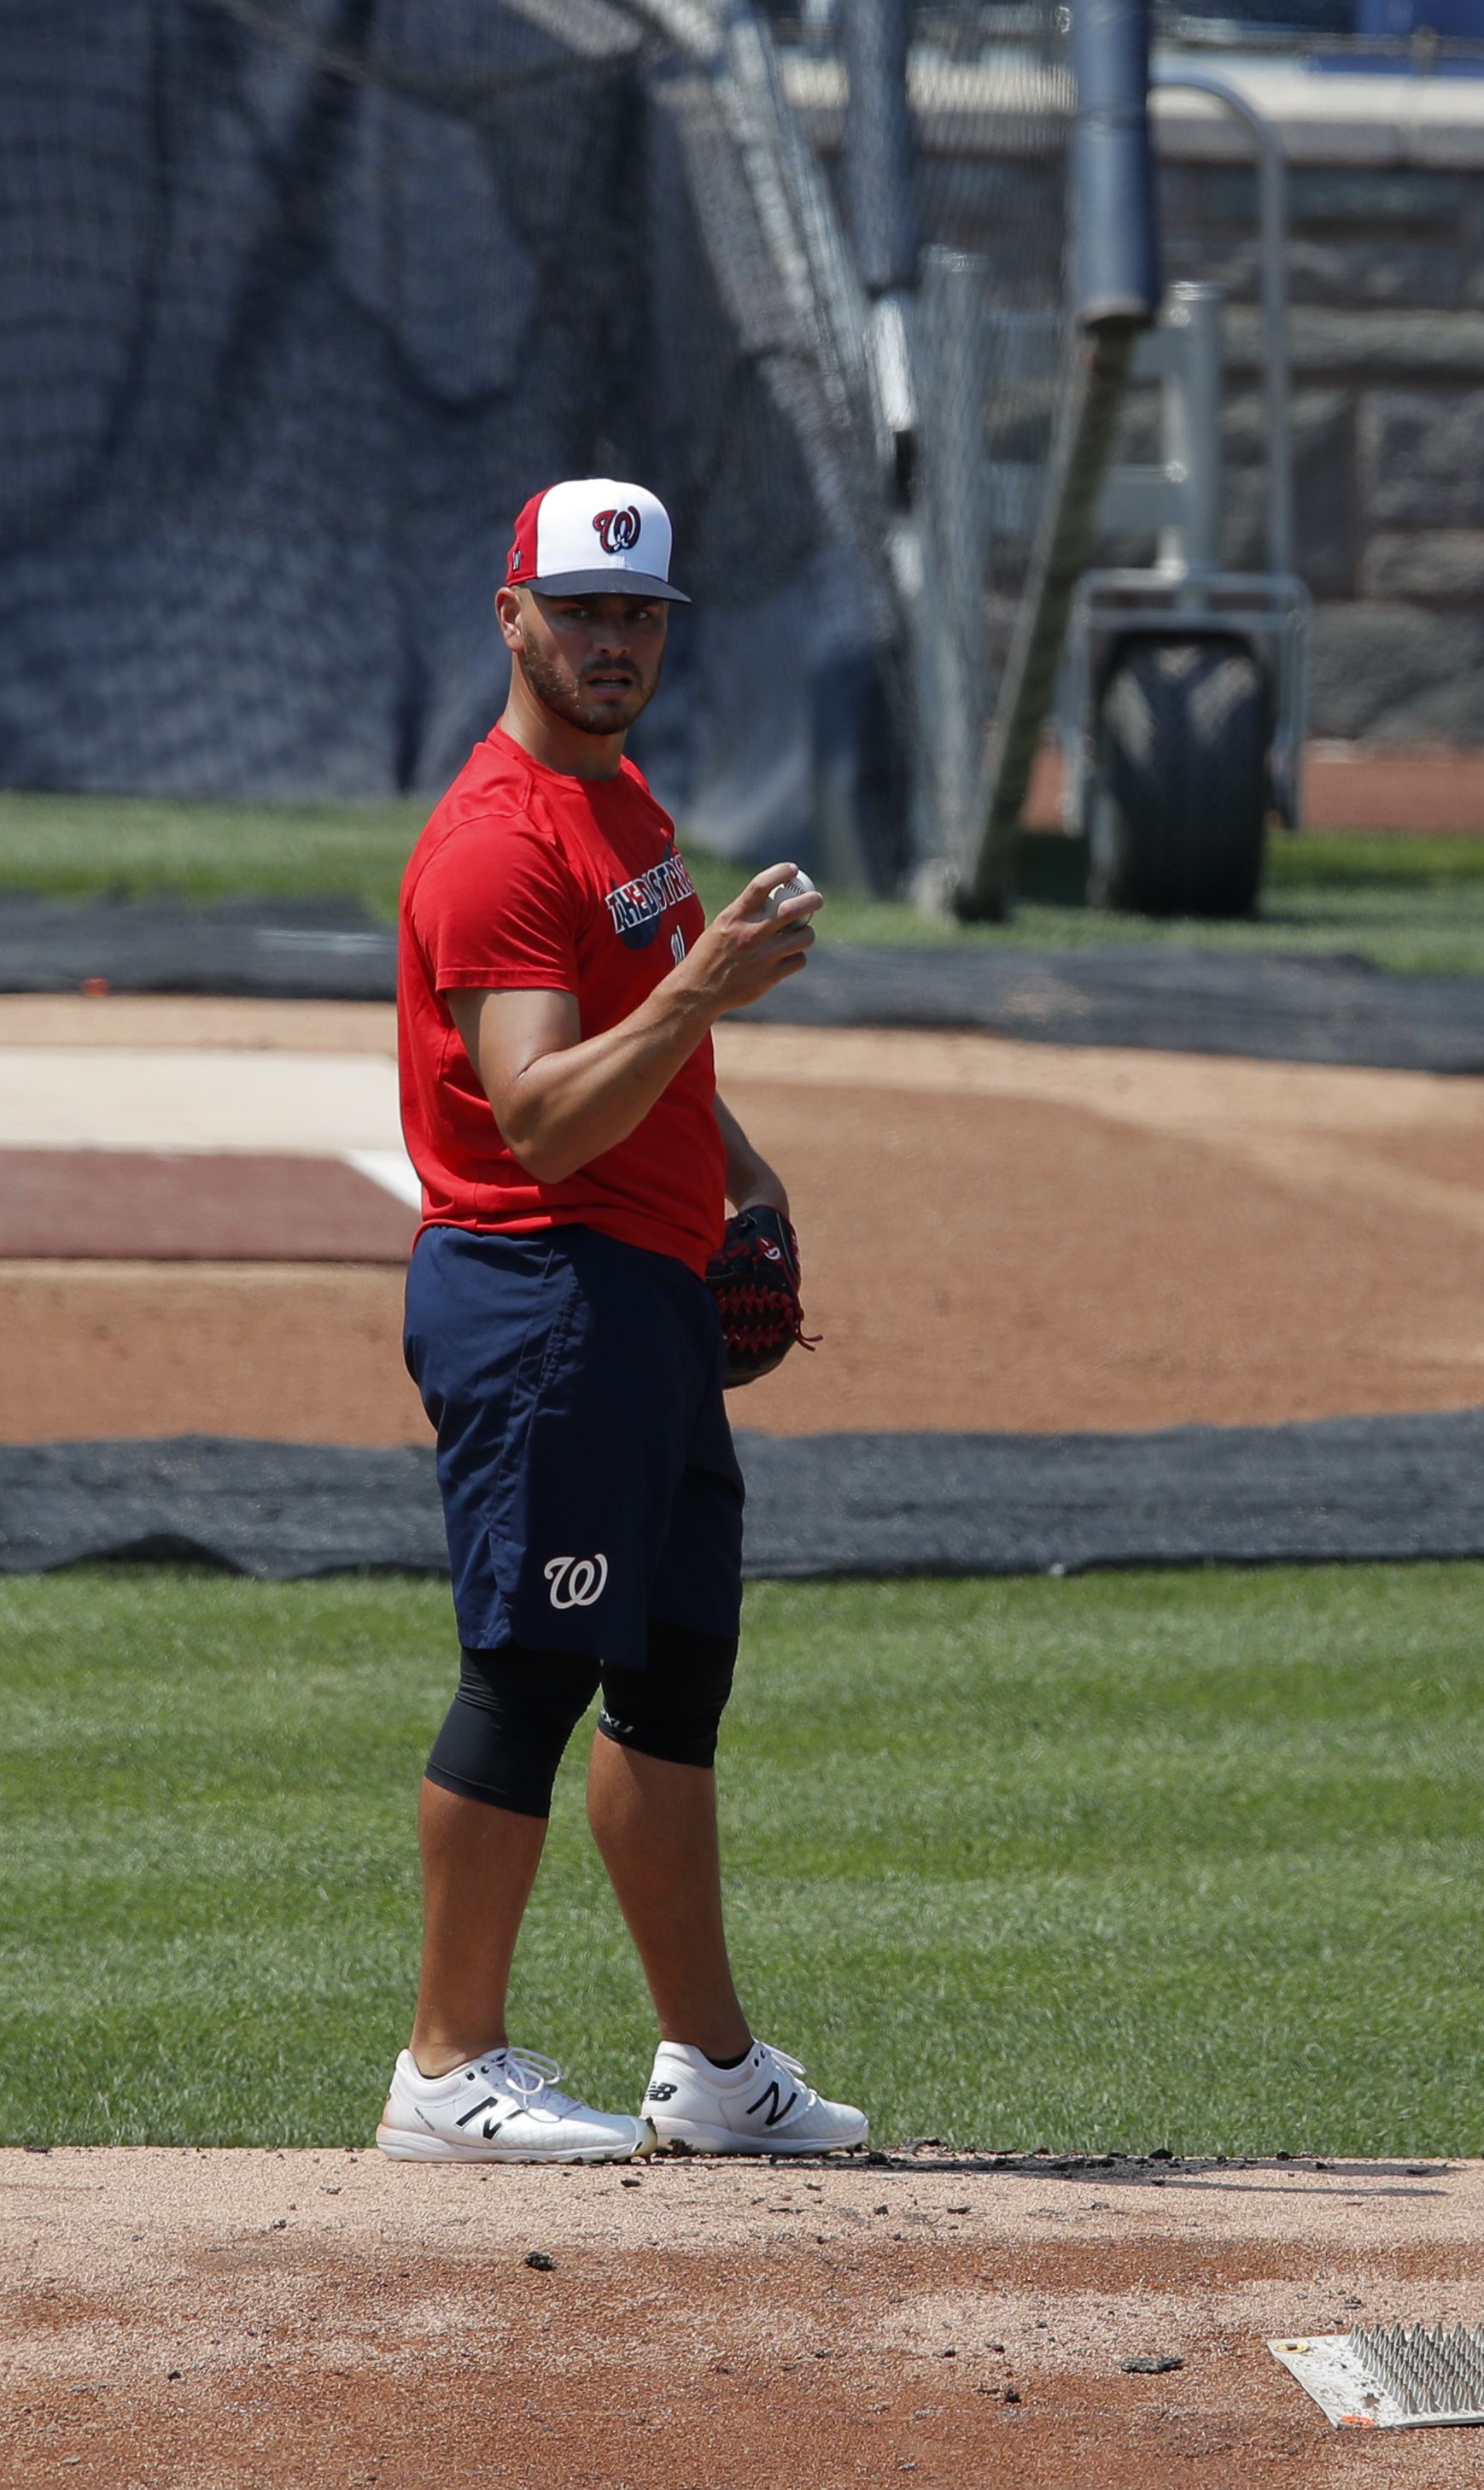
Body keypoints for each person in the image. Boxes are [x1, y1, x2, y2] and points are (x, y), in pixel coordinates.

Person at [376, 477, 869, 2164]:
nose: (608, 641)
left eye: (637, 614)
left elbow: (650, 1074)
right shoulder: (501, 844)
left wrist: (735, 1167)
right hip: (544, 1299)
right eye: (578, 611)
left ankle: (711, 2068)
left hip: (635, 1302)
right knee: (530, 1669)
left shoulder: (622, 802)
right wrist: (700, 991)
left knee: (669, 1680)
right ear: (508, 613)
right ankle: (447, 2066)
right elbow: (543, 1115)